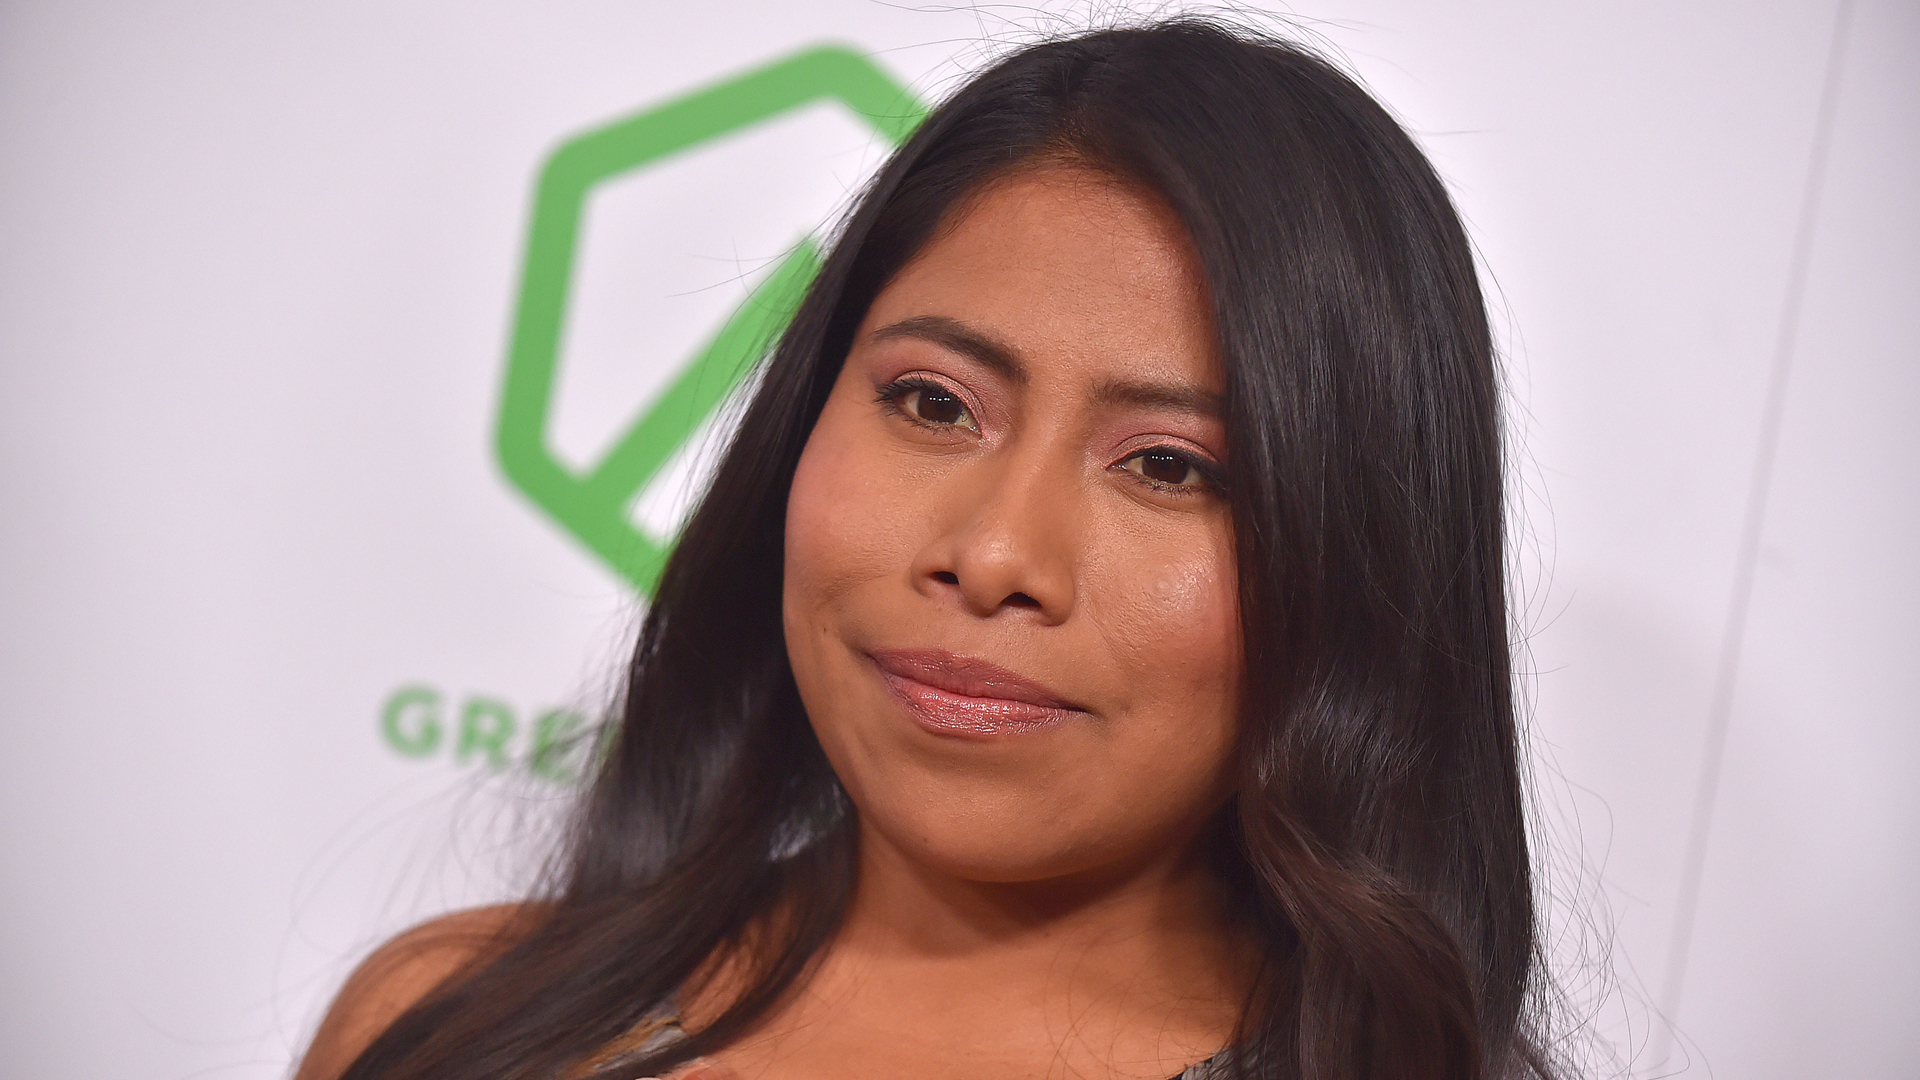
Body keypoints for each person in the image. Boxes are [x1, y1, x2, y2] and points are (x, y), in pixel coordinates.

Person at [297, 19, 1561, 1080]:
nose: (996, 551)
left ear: (1359, 571)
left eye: (1171, 466)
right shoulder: (444, 1020)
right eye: (934, 403)